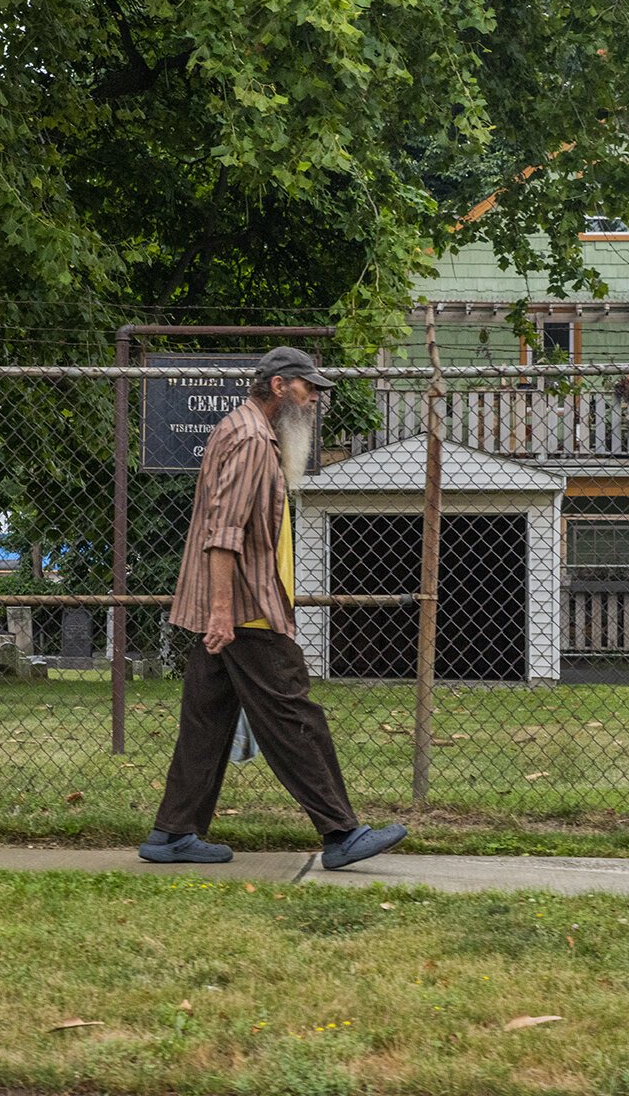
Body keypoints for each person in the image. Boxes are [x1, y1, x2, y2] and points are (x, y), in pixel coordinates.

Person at [140, 346, 407, 870]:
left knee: (207, 721)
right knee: (295, 716)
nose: (314, 399)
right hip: (247, 611)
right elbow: (224, 532)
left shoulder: (241, 431)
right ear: (281, 386)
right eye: (309, 389)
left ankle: (173, 833)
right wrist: (222, 612)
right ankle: (341, 832)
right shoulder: (251, 439)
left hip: (234, 608)